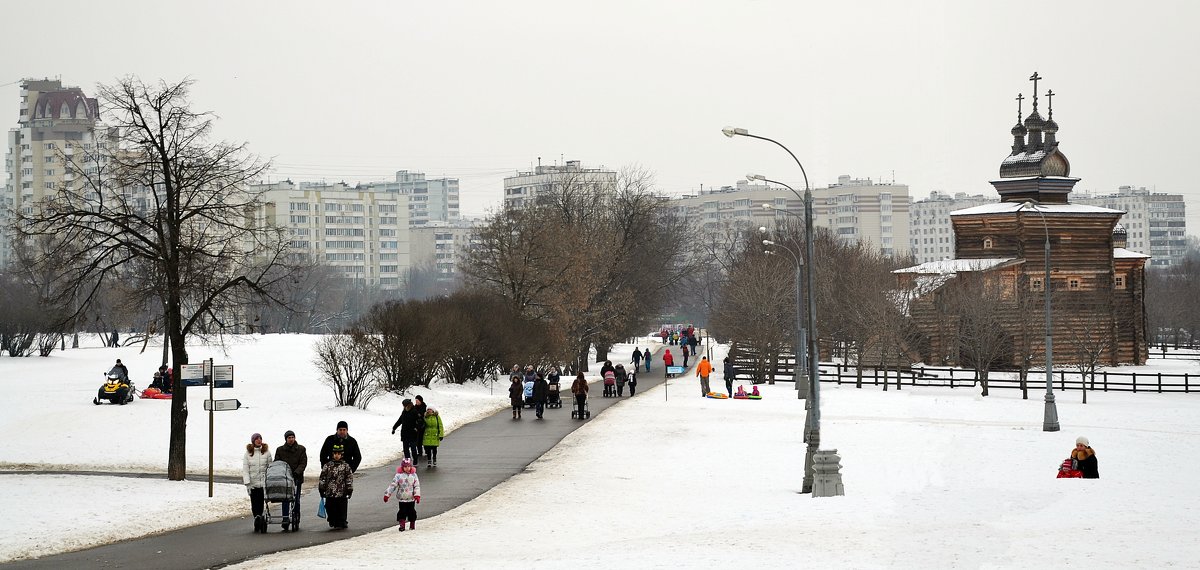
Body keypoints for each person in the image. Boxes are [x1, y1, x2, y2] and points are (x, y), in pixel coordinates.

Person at [274, 429, 307, 532]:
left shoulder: (301, 449)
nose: (291, 439)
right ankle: (285, 519)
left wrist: (297, 472)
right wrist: (283, 473)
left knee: (296, 499)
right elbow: (277, 462)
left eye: (292, 437)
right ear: (286, 439)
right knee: (285, 499)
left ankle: (296, 517)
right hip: (285, 479)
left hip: (297, 478)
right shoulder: (280, 450)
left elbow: (303, 463)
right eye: (289, 438)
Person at [318, 445, 353, 530]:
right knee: (330, 507)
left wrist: (349, 489)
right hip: (330, 492)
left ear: (341, 455)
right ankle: (332, 520)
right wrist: (321, 488)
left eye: (339, 454)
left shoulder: (345, 466)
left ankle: (342, 521)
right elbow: (323, 477)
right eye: (335, 454)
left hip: (342, 492)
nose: (337, 455)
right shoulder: (328, 466)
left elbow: (349, 478)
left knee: (342, 508)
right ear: (332, 454)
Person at [242, 433, 271, 533]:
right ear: (253, 441)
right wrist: (247, 483)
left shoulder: (266, 453)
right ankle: (256, 518)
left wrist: (269, 480)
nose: (259, 440)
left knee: (261, 503)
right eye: (257, 439)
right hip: (253, 483)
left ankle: (260, 518)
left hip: (263, 483)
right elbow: (245, 470)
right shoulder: (248, 454)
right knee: (254, 503)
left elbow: (270, 467)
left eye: (260, 439)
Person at [383, 457, 421, 531]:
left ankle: (412, 524)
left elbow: (417, 486)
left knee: (412, 512)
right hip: (402, 498)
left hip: (411, 498)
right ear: (402, 467)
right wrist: (387, 494)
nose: (407, 468)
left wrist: (417, 495)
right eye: (405, 467)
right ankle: (402, 525)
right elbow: (393, 485)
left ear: (411, 467)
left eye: (408, 466)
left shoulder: (414, 475)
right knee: (402, 512)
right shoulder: (398, 476)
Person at [413, 395, 428, 460]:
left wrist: (420, 415)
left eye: (417, 400)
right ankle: (420, 452)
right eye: (416, 400)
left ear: (420, 401)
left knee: (424, 439)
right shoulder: (415, 407)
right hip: (417, 426)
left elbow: (424, 415)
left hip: (423, 426)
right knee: (418, 440)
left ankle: (427, 451)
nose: (416, 402)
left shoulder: (424, 407)